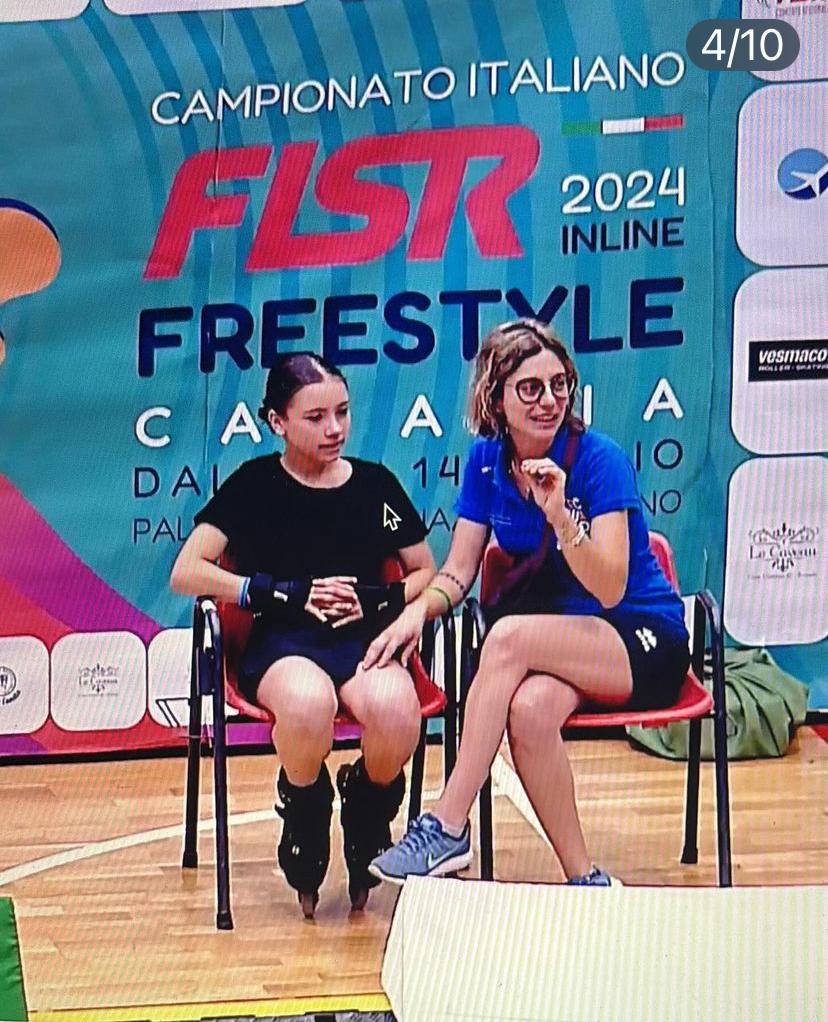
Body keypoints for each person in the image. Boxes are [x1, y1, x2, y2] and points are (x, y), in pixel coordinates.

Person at [365, 319, 691, 887]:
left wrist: (560, 514)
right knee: (530, 711)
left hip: (642, 636)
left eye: (559, 385)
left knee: (508, 637)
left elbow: (611, 588)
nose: (549, 401)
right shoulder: (485, 463)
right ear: (496, 398)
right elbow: (459, 571)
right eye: (531, 388)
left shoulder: (600, 459)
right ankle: (585, 878)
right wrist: (417, 611)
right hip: (568, 642)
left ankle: (447, 824)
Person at [170, 352, 436, 916]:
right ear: (277, 422)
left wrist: (377, 600)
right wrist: (279, 592)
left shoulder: (376, 486)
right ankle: (305, 806)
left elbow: (426, 572)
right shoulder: (254, 486)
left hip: (365, 641)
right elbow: (187, 571)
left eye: (342, 412)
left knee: (397, 712)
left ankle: (367, 805)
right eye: (315, 417)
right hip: (282, 644)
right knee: (309, 705)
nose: (334, 428)